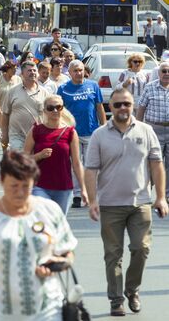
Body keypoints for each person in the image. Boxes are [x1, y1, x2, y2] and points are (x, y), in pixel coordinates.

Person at [0, 150, 77, 321]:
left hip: (49, 310)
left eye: (26, 186)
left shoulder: (50, 210)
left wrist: (58, 263)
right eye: (14, 186)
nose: (20, 192)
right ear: (1, 181)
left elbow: (67, 253)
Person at [85, 88, 168, 316]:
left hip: (140, 203)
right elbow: (91, 170)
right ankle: (115, 299)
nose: (123, 108)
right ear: (110, 108)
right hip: (110, 204)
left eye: (127, 104)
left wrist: (160, 197)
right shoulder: (99, 135)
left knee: (141, 249)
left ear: (133, 105)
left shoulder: (146, 131)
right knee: (113, 254)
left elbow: (156, 165)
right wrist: (93, 201)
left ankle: (132, 290)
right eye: (118, 104)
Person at [24, 95, 88, 215]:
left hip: (64, 187)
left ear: (62, 109)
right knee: (44, 220)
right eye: (50, 107)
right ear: (44, 111)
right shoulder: (36, 130)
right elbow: (24, 159)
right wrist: (39, 156)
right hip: (40, 186)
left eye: (58, 107)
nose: (55, 110)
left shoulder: (70, 132)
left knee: (58, 224)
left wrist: (83, 189)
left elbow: (76, 163)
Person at [57, 60, 106, 208]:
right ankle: (77, 195)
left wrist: (104, 127)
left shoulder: (93, 86)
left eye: (81, 70)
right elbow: (59, 111)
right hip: (73, 133)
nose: (79, 73)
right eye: (75, 71)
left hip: (92, 131)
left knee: (92, 164)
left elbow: (99, 107)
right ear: (70, 73)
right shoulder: (63, 89)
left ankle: (92, 195)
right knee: (75, 165)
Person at [137, 63, 169, 201]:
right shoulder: (150, 87)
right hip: (154, 130)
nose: (167, 73)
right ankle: (146, 194)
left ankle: (167, 194)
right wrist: (138, 128)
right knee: (152, 162)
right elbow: (141, 108)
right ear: (159, 72)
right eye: (164, 71)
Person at [1, 61, 49, 150]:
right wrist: (4, 135)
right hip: (17, 137)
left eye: (34, 70)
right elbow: (5, 114)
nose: (33, 73)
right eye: (29, 71)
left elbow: (49, 114)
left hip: (38, 136)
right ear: (22, 73)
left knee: (36, 162)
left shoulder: (44, 92)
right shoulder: (12, 91)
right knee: (20, 161)